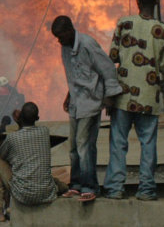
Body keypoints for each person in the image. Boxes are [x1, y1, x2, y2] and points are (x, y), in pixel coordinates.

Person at [104, 0, 164, 200]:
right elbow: (163, 64)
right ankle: (147, 190)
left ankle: (115, 189)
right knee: (148, 144)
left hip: (123, 95)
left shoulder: (124, 23)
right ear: (157, 2)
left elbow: (113, 56)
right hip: (150, 97)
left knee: (118, 143)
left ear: (137, 1)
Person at [51, 15, 121, 202]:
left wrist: (109, 97)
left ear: (69, 31)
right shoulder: (65, 48)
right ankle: (76, 184)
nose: (59, 40)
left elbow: (107, 69)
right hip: (76, 103)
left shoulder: (88, 44)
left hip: (90, 102)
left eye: (60, 36)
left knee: (85, 145)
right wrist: (68, 95)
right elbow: (75, 75)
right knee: (74, 146)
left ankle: (90, 186)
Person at [0, 102, 65, 222]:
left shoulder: (13, 138)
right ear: (37, 118)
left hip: (22, 194)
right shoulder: (45, 132)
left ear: (20, 118)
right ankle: (63, 188)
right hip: (46, 192)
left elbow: (2, 155)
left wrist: (20, 123)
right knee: (52, 179)